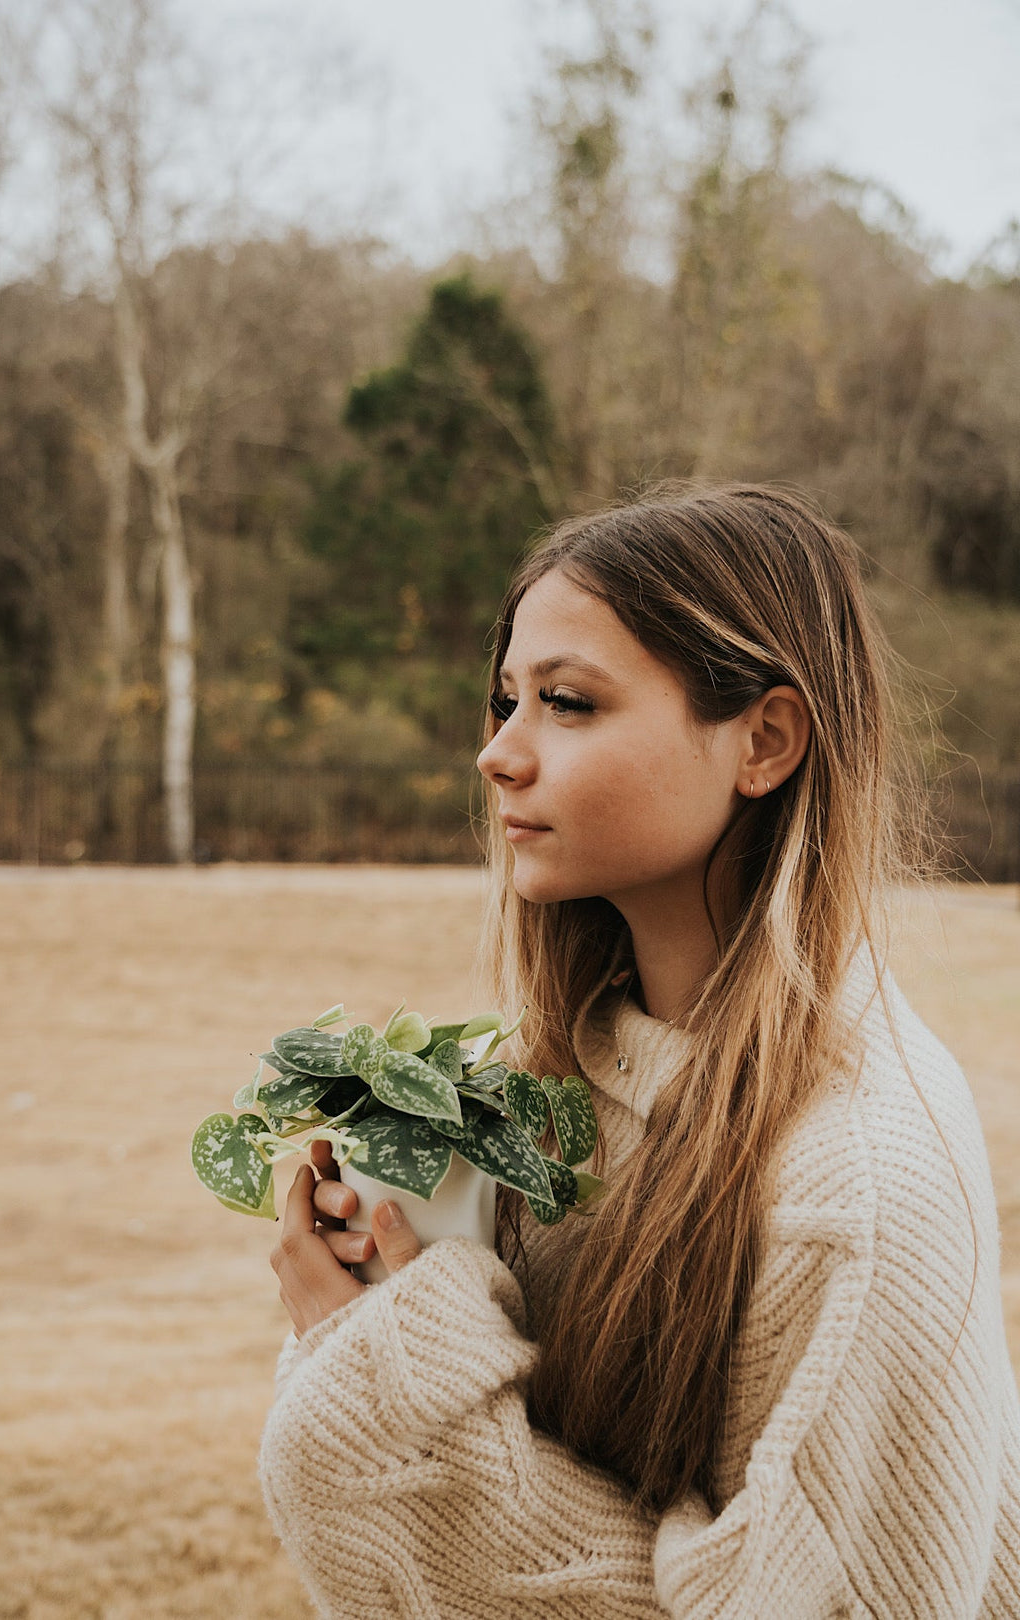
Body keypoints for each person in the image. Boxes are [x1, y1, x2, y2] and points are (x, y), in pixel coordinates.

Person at [260, 484, 1020, 1617]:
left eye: (566, 702)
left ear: (763, 741)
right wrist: (395, 1280)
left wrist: (388, 1373)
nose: (499, 756)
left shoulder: (853, 1191)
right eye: (503, 701)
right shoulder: (548, 1092)